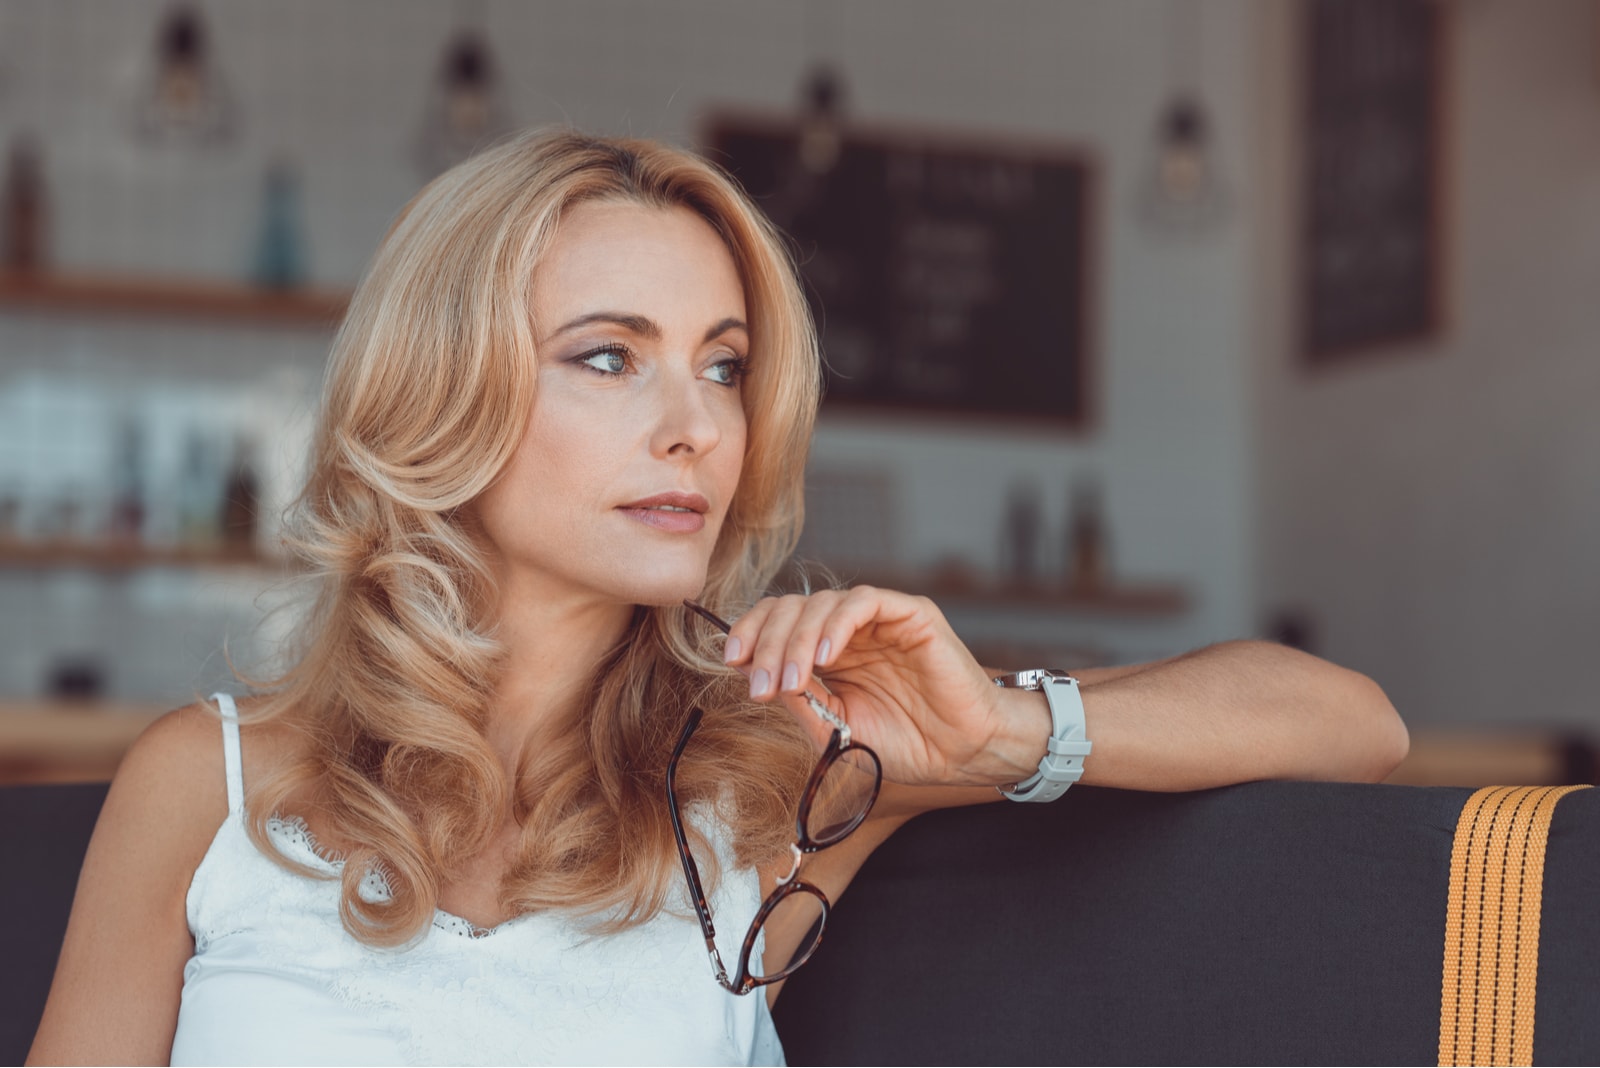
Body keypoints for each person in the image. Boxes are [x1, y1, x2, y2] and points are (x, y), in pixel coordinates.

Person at [27, 128, 1408, 1067]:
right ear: (443, 390)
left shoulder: (772, 772)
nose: (695, 424)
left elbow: (1349, 725)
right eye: (610, 357)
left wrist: (996, 731)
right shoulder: (205, 785)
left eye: (726, 364)